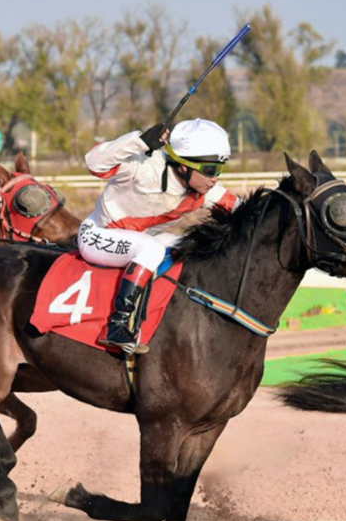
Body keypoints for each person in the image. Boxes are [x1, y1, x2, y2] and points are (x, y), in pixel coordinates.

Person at [81, 118, 241, 354]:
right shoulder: (142, 166)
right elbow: (93, 163)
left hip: (139, 242)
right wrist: (137, 141)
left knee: (194, 246)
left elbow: (245, 209)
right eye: (210, 169)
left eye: (219, 168)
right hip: (98, 236)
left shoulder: (204, 189)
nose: (215, 178)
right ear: (184, 166)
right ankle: (117, 325)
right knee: (151, 249)